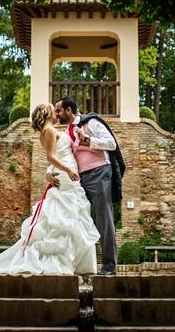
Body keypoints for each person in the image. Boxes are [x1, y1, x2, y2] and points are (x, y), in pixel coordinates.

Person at [0, 102, 100, 275]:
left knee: (68, 216)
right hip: (67, 174)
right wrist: (68, 170)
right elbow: (50, 157)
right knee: (65, 217)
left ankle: (70, 261)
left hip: (65, 174)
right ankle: (61, 262)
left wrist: (51, 172)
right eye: (53, 109)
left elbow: (58, 153)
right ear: (47, 112)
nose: (56, 112)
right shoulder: (49, 131)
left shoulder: (50, 130)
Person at [48, 97, 123, 276]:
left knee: (103, 219)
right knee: (80, 221)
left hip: (99, 173)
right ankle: (81, 265)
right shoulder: (66, 132)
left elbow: (111, 144)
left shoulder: (91, 122)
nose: (56, 115)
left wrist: (87, 139)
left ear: (68, 110)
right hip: (79, 180)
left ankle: (109, 267)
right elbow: (61, 154)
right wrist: (49, 171)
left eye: (58, 110)